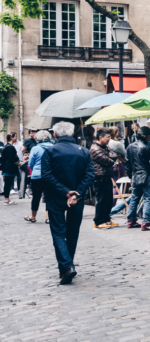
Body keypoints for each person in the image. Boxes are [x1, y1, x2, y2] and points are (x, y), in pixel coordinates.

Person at [41, 121, 94, 284]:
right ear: (72, 134)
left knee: (58, 233)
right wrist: (76, 193)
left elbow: (46, 175)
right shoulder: (83, 151)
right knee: (72, 232)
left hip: (56, 197)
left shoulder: (50, 151)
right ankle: (67, 265)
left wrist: (65, 191)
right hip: (75, 198)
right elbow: (90, 175)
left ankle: (66, 266)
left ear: (55, 135)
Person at [125, 126, 150, 231]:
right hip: (145, 176)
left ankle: (131, 220)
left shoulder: (130, 147)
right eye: (149, 136)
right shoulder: (145, 147)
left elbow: (127, 164)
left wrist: (130, 176)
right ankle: (146, 222)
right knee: (148, 199)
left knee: (134, 198)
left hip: (135, 175)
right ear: (146, 136)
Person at [88, 128, 118, 228]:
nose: (109, 139)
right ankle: (98, 222)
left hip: (106, 176)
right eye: (107, 137)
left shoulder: (104, 147)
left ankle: (106, 219)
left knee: (108, 200)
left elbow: (114, 155)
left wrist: (111, 156)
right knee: (101, 200)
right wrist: (111, 156)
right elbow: (108, 161)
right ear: (100, 137)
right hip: (99, 177)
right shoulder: (95, 148)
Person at [25, 130, 53, 223]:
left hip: (37, 176)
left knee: (36, 197)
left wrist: (36, 169)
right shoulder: (53, 148)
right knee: (49, 196)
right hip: (50, 175)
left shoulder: (35, 148)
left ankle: (33, 216)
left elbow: (30, 163)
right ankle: (48, 217)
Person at [2, 132, 20, 204]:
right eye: (15, 137)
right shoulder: (10, 147)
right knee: (8, 183)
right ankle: (6, 199)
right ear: (11, 138)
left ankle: (7, 199)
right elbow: (13, 159)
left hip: (6, 167)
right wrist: (19, 164)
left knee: (7, 183)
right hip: (9, 168)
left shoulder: (6, 146)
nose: (16, 138)